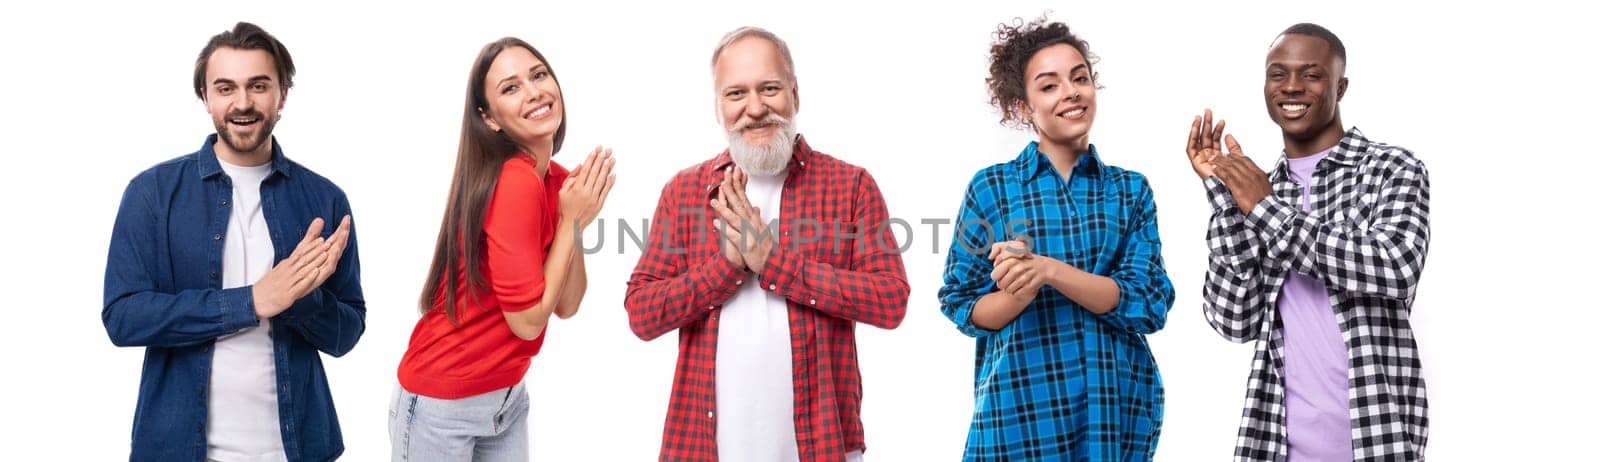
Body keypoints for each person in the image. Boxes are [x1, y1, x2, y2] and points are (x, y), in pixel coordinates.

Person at [624, 26, 909, 462]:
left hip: (822, 445)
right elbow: (642, 314)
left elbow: (890, 302)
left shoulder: (850, 185)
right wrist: (727, 268)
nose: (754, 108)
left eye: (769, 88)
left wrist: (773, 261)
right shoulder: (684, 191)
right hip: (703, 449)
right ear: (719, 106)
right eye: (736, 93)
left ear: (795, 94)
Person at [101, 21, 365, 462]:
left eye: (258, 86)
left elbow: (347, 335)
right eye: (225, 88)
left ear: (282, 95)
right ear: (205, 98)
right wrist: (252, 301)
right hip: (179, 450)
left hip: (297, 447)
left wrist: (300, 298)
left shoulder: (325, 199)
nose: (242, 103)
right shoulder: (152, 193)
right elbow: (123, 317)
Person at [1189, 23, 1432, 461]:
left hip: (1376, 441)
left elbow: (1394, 266)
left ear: (1341, 86)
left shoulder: (1390, 168)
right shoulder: (1259, 187)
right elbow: (1232, 319)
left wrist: (1263, 209)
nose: (1292, 87)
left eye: (1311, 74)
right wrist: (1227, 202)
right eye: (1278, 74)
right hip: (1275, 445)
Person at [938, 16, 1176, 461]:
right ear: (1023, 106)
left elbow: (1148, 303)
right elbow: (961, 304)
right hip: (1019, 421)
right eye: (1049, 86)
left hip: (1114, 417)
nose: (1070, 92)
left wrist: (1047, 270)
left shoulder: (1130, 191)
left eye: (1079, 78)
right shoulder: (992, 188)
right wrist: (1018, 288)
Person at [390, 37, 615, 461]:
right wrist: (571, 219)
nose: (533, 92)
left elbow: (567, 304)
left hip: (506, 398)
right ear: (489, 118)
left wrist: (576, 218)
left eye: (538, 75)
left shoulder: (556, 181)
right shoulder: (513, 181)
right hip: (444, 404)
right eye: (510, 88)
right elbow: (527, 323)